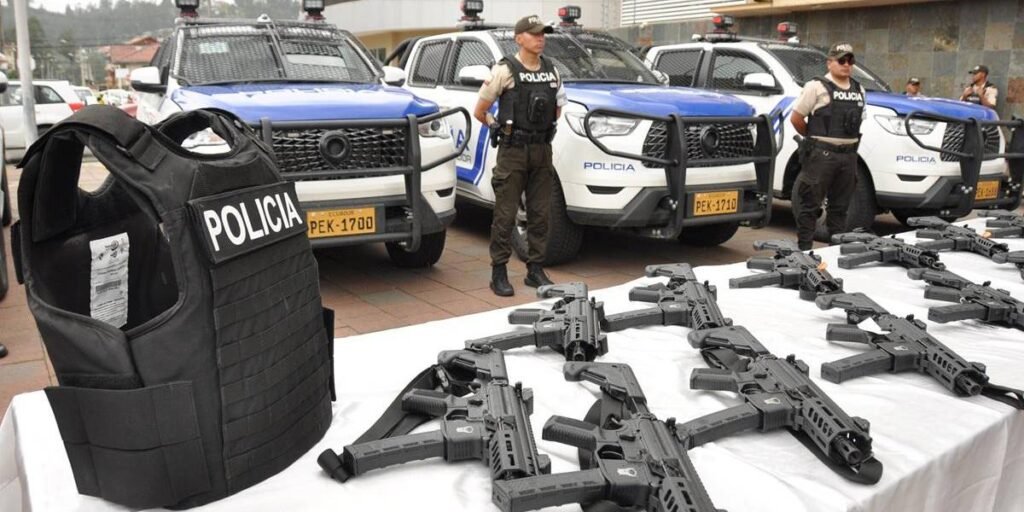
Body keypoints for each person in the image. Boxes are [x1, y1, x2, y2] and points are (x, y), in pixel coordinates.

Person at [474, 15, 567, 296]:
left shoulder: (552, 70)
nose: (541, 38)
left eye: (543, 34)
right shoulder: (504, 70)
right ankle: (499, 272)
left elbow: (557, 109)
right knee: (505, 214)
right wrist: (495, 126)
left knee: (540, 214)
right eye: (534, 34)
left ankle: (535, 270)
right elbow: (480, 111)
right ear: (519, 39)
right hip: (513, 151)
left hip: (542, 150)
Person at [789, 42, 866, 251]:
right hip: (821, 156)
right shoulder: (816, 86)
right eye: (841, 60)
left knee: (840, 208)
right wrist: (814, 139)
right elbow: (796, 118)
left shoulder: (859, 89)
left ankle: (834, 251)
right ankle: (805, 251)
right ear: (829, 63)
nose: (846, 64)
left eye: (850, 60)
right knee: (809, 206)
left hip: (849, 156)